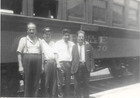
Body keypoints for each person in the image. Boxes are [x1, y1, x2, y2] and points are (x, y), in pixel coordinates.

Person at [17, 22, 42, 97]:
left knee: (36, 82)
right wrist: (20, 66)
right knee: (27, 82)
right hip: (27, 62)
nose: (31, 31)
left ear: (36, 30)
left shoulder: (39, 40)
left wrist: (42, 66)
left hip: (37, 62)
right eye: (30, 29)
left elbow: (42, 54)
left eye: (33, 29)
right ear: (27, 30)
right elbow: (19, 53)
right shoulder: (23, 40)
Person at [71, 30, 94, 98]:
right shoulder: (74, 47)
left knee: (86, 85)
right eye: (79, 37)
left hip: (86, 67)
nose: (81, 38)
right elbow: (73, 59)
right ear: (77, 38)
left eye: (82, 37)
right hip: (77, 68)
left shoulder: (88, 46)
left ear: (84, 38)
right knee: (77, 85)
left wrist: (91, 67)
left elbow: (91, 57)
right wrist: (72, 70)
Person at [54, 29, 75, 97]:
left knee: (68, 82)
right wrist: (57, 64)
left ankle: (67, 95)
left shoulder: (72, 44)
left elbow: (75, 53)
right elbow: (56, 54)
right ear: (62, 35)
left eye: (68, 35)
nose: (67, 37)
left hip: (68, 64)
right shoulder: (58, 43)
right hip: (61, 64)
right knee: (60, 82)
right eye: (65, 35)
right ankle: (60, 95)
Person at [41, 27, 57, 97]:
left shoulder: (53, 43)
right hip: (46, 63)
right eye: (46, 34)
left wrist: (57, 63)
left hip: (53, 63)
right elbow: (42, 54)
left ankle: (52, 95)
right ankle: (44, 96)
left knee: (53, 81)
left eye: (49, 34)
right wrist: (42, 66)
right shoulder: (41, 42)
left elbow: (56, 54)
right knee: (45, 81)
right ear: (43, 35)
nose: (48, 36)